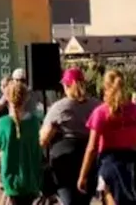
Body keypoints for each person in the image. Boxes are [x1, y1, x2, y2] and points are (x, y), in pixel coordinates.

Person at [78, 70, 136, 205]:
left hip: (110, 165)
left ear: (104, 88)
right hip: (134, 166)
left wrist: (83, 175)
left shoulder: (100, 113)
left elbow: (92, 148)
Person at [41, 68, 100, 205]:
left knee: (69, 199)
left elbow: (44, 138)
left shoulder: (60, 107)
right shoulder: (96, 105)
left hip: (65, 161)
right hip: (89, 159)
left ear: (66, 86)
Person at [0, 79, 44, 205]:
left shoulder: (3, 123)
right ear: (26, 98)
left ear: (7, 97)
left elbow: (1, 152)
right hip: (31, 177)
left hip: (10, 179)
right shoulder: (34, 122)